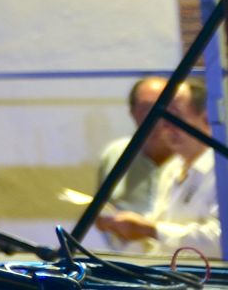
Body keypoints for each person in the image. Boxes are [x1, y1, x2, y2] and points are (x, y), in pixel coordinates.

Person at [93, 76, 219, 258]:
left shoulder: (221, 170)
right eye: (161, 116)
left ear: (206, 118)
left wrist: (151, 230)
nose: (164, 126)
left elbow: (220, 239)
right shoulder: (172, 169)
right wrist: (125, 230)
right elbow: (157, 238)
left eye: (175, 116)